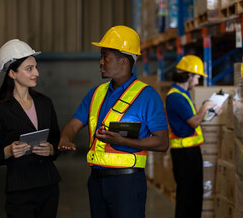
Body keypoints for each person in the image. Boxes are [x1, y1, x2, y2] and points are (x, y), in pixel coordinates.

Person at [58, 25, 169, 218]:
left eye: (105, 57)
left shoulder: (147, 96)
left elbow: (162, 142)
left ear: (124, 61)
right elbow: (74, 124)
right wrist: (65, 137)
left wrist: (125, 142)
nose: (100, 62)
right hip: (96, 182)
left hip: (127, 184)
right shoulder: (96, 94)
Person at [0, 39, 61, 218]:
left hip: (49, 185)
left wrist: (51, 149)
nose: (36, 73)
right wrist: (9, 151)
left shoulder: (45, 103)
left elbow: (56, 140)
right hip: (20, 190)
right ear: (12, 73)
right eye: (29, 69)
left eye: (35, 67)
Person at [165, 55, 223, 218]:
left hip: (190, 152)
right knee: (187, 199)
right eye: (197, 77)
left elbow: (192, 122)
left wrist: (210, 112)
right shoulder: (176, 97)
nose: (197, 82)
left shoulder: (183, 94)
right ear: (188, 75)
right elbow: (193, 122)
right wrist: (205, 107)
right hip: (184, 155)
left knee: (195, 196)